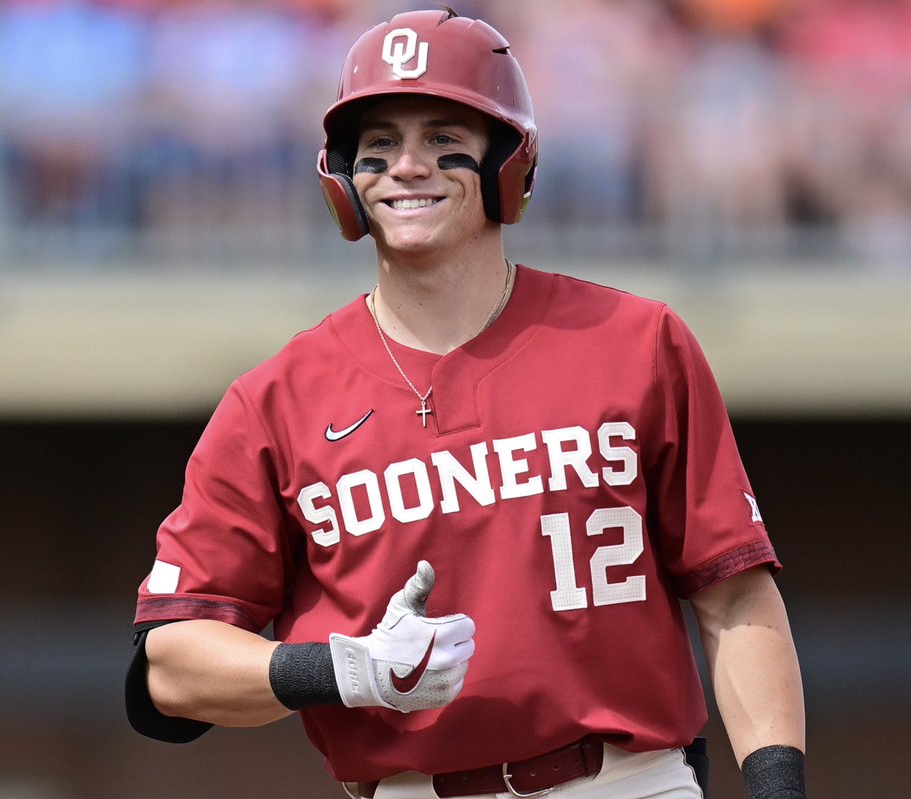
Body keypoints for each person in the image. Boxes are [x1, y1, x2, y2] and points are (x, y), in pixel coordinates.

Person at [126, 7, 806, 799]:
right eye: (379, 146)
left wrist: (779, 790)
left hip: (627, 780)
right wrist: (346, 668)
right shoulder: (274, 399)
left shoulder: (638, 341)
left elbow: (734, 596)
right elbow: (170, 665)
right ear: (343, 176)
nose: (407, 166)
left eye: (443, 137)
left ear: (507, 162)